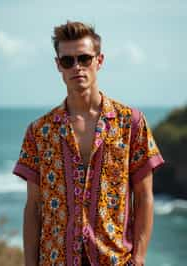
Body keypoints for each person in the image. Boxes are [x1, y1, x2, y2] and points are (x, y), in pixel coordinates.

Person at [13, 21, 164, 266]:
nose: (77, 67)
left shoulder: (131, 123)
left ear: (99, 61)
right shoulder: (39, 131)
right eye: (67, 61)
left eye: (84, 58)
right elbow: (33, 207)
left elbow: (144, 196)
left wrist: (138, 258)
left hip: (114, 259)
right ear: (58, 65)